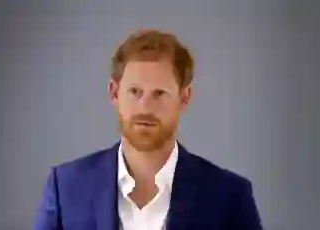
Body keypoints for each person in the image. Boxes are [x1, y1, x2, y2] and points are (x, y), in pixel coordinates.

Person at [33, 29, 263, 230]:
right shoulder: (65, 187)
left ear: (184, 98)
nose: (145, 107)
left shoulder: (229, 196)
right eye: (135, 91)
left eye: (159, 93)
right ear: (114, 93)